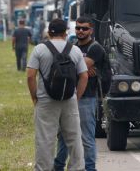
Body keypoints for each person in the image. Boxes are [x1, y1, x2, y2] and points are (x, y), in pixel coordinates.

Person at [26, 18, 88, 171]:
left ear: (48, 33)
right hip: (69, 99)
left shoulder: (39, 49)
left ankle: (44, 168)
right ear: (66, 32)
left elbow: (30, 75)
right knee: (74, 138)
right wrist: (76, 96)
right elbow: (84, 76)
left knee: (45, 139)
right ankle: (77, 168)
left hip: (46, 101)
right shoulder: (75, 50)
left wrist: (35, 97)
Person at [54, 15, 106, 171]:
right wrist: (80, 68)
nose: (81, 31)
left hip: (87, 97)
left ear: (91, 30)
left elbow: (75, 68)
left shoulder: (95, 48)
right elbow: (70, 68)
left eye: (84, 28)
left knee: (86, 137)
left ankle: (90, 168)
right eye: (78, 28)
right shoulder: (73, 46)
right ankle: (58, 166)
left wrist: (76, 67)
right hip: (69, 95)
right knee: (63, 135)